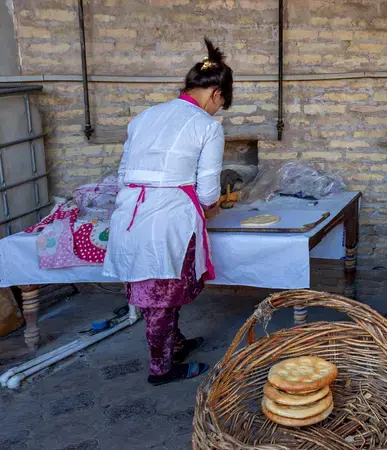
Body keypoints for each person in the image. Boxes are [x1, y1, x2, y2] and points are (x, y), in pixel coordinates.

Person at [103, 38, 233, 385]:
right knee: (161, 293)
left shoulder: (145, 116)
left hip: (130, 212)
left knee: (154, 287)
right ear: (216, 94)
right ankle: (161, 369)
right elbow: (207, 190)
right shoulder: (207, 126)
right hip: (170, 218)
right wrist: (211, 207)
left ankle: (174, 344)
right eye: (221, 104)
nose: (217, 110)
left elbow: (122, 174)